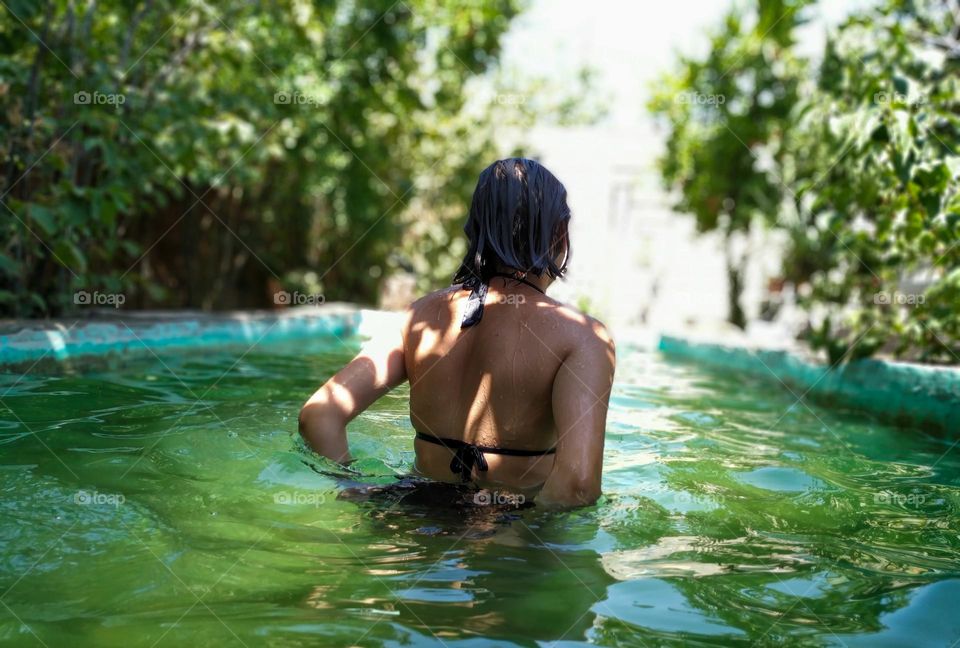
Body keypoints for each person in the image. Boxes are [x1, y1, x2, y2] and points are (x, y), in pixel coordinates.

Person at [299, 158, 616, 508]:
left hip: (410, 516)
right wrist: (517, 539)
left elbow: (319, 415)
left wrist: (355, 491)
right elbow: (578, 485)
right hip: (506, 535)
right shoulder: (583, 337)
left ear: (475, 228)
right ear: (559, 232)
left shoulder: (419, 317)